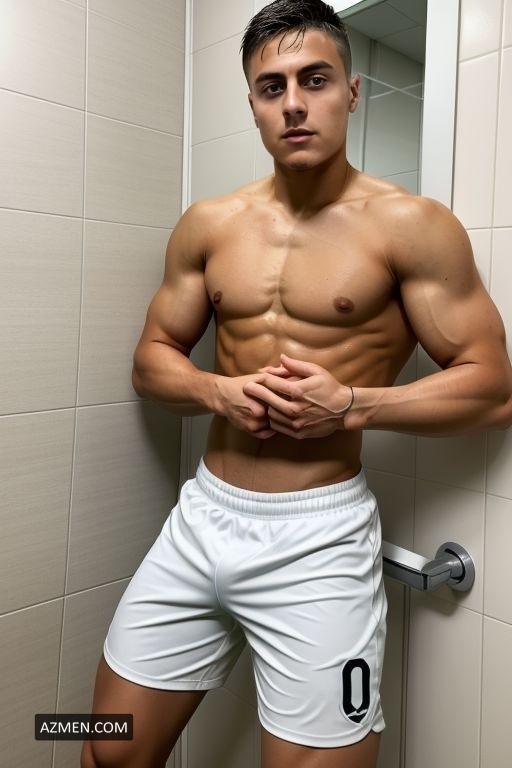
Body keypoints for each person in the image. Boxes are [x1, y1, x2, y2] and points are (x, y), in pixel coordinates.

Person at [81, 1, 512, 766]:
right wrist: (216, 390)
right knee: (106, 748)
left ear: (353, 91)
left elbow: (493, 389)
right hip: (202, 518)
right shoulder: (209, 223)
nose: (294, 104)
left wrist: (351, 405)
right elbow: (151, 360)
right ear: (252, 103)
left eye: (315, 80)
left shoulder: (413, 226)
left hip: (319, 538)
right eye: (271, 86)